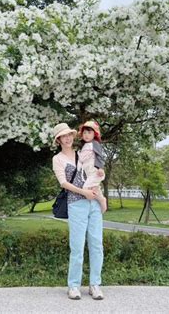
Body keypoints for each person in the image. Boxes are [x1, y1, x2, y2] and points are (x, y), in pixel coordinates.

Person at [52, 123, 104, 300]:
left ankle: (95, 284)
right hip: (76, 204)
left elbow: (93, 173)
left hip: (94, 203)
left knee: (96, 244)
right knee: (77, 247)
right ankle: (74, 286)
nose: (67, 138)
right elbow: (64, 183)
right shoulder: (57, 159)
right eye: (63, 136)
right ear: (58, 140)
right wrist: (84, 193)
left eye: (69, 135)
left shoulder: (82, 153)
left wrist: (99, 197)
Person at [78, 121, 107, 213]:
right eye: (84, 133)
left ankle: (97, 203)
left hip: (96, 172)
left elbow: (100, 156)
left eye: (89, 132)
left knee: (85, 189)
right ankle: (100, 201)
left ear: (94, 134)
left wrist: (101, 168)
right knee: (94, 189)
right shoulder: (84, 146)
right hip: (89, 173)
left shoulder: (95, 144)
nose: (86, 135)